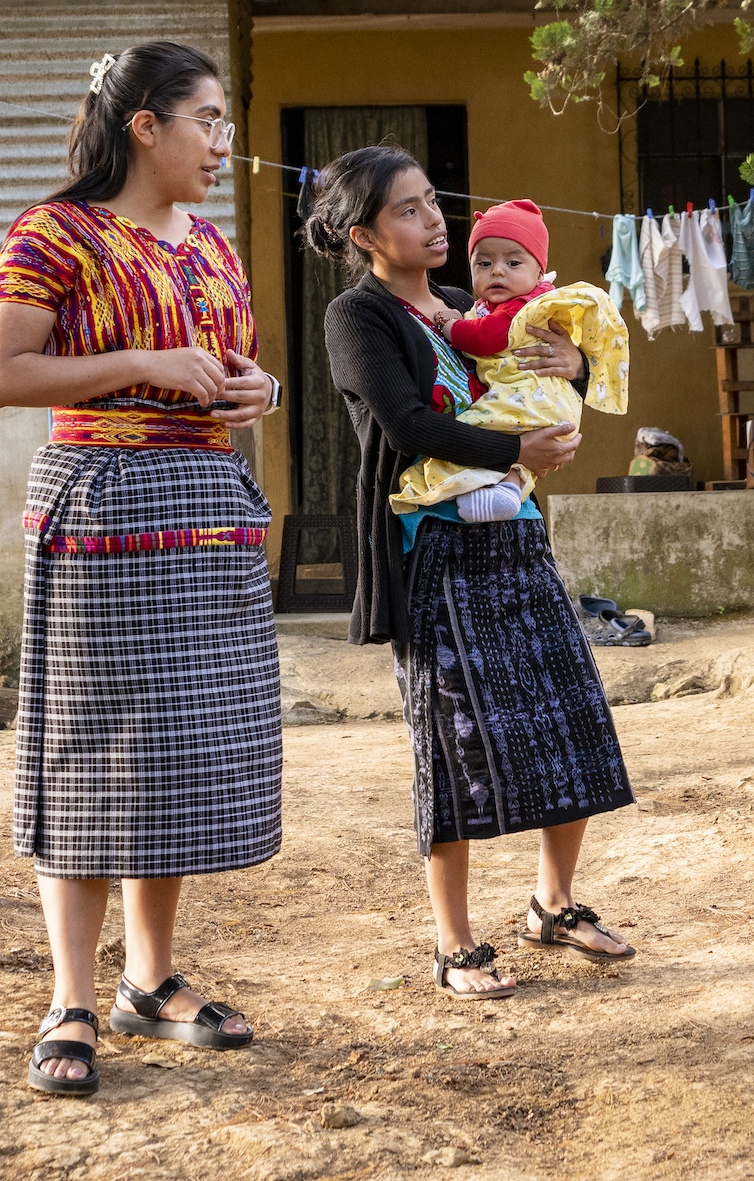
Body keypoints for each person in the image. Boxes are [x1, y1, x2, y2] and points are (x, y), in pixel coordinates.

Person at [0, 41, 282, 1097]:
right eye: (207, 119)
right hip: (101, 506)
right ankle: (70, 997)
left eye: (226, 123)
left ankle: (150, 981)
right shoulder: (55, 233)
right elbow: (3, 376)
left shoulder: (211, 246)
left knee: (177, 749)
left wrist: (259, 395)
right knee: (90, 750)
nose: (223, 143)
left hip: (203, 511)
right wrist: (142, 365)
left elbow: (236, 367)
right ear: (145, 125)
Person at [307, 148, 637, 1000]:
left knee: (570, 715)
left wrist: (578, 369)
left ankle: (552, 906)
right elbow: (407, 420)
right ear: (364, 235)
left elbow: (543, 361)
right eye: (410, 210)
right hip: (434, 555)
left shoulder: (470, 304)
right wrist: (513, 448)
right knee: (451, 747)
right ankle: (455, 944)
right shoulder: (359, 316)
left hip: (518, 540)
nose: (435, 220)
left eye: (431, 202)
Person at [399, 198, 630, 522]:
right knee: (508, 443)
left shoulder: (510, 307)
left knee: (488, 421)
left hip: (532, 400)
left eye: (513, 263)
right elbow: (406, 426)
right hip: (535, 411)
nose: (497, 271)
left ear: (539, 271)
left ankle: (490, 488)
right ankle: (506, 488)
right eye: (484, 263)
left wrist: (450, 326)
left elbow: (485, 337)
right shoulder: (365, 312)